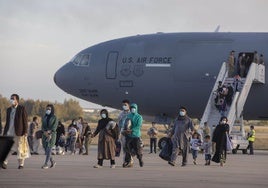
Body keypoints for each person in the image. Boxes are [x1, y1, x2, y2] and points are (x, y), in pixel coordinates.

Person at [2, 94, 29, 169]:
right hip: (9, 132)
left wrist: (25, 131)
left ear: (17, 100)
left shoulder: (21, 109)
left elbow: (25, 121)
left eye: (13, 99)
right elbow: (7, 122)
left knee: (20, 148)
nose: (11, 100)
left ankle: (21, 164)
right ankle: (4, 162)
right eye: (11, 98)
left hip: (19, 132)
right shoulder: (8, 110)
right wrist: (4, 132)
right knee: (8, 148)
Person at [124, 103, 144, 167]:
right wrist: (125, 129)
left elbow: (138, 126)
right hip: (129, 136)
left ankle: (140, 159)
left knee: (137, 150)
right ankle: (127, 161)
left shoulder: (139, 117)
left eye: (134, 108)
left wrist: (132, 130)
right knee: (127, 150)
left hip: (136, 136)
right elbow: (126, 123)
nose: (133, 109)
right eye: (131, 108)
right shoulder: (129, 116)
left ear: (136, 109)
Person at [117, 99, 133, 167]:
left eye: (125, 105)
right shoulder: (121, 113)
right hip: (122, 133)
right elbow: (119, 123)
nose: (124, 106)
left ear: (129, 105)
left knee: (129, 148)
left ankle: (130, 161)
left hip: (129, 134)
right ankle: (125, 161)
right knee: (124, 148)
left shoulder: (131, 113)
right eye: (123, 105)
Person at [41, 104, 57, 169]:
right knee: (46, 149)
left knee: (49, 148)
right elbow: (42, 126)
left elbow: (54, 126)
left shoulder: (54, 117)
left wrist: (49, 132)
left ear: (52, 110)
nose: (48, 110)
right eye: (47, 109)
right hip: (44, 135)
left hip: (52, 135)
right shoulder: (44, 117)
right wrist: (44, 131)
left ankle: (46, 164)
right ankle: (52, 161)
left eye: (49, 109)